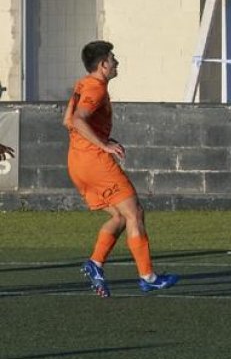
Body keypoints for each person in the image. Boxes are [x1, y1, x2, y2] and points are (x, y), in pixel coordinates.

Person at [65, 41, 178, 297]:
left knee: (119, 216)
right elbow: (77, 120)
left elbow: (67, 120)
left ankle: (95, 263)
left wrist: (101, 138)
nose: (117, 62)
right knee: (135, 213)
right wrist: (103, 144)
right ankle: (147, 276)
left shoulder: (82, 84)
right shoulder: (95, 88)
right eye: (113, 58)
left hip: (77, 162)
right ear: (103, 64)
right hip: (95, 163)